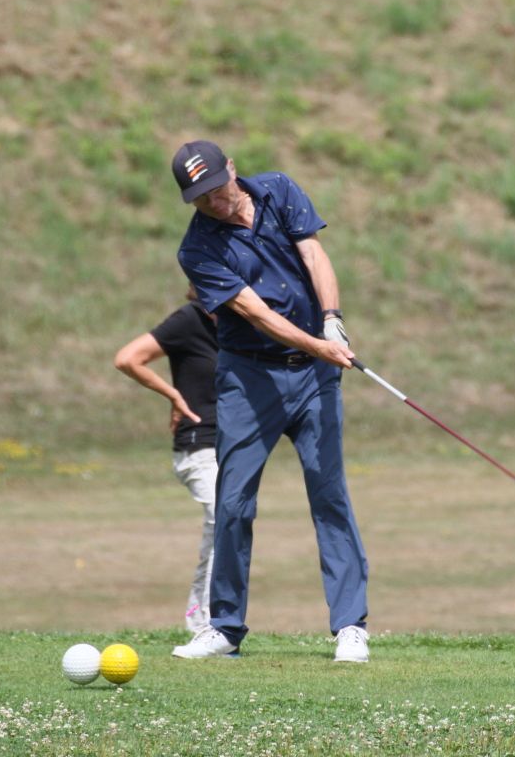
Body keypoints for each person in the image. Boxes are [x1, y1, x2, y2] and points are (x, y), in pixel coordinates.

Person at [169, 139, 369, 663]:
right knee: (233, 502)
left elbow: (314, 254)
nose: (213, 202)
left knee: (329, 496)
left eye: (217, 189)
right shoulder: (197, 249)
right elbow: (255, 313)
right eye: (200, 198)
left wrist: (331, 320)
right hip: (249, 379)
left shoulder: (279, 191)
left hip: (314, 379)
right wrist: (320, 345)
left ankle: (350, 626)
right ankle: (224, 628)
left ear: (231, 169)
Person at [113, 287, 219, 640]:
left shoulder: (241, 324)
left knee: (225, 529)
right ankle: (206, 622)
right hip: (198, 447)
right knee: (225, 518)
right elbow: (127, 358)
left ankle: (203, 619)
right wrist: (173, 394)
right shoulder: (189, 320)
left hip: (230, 448)